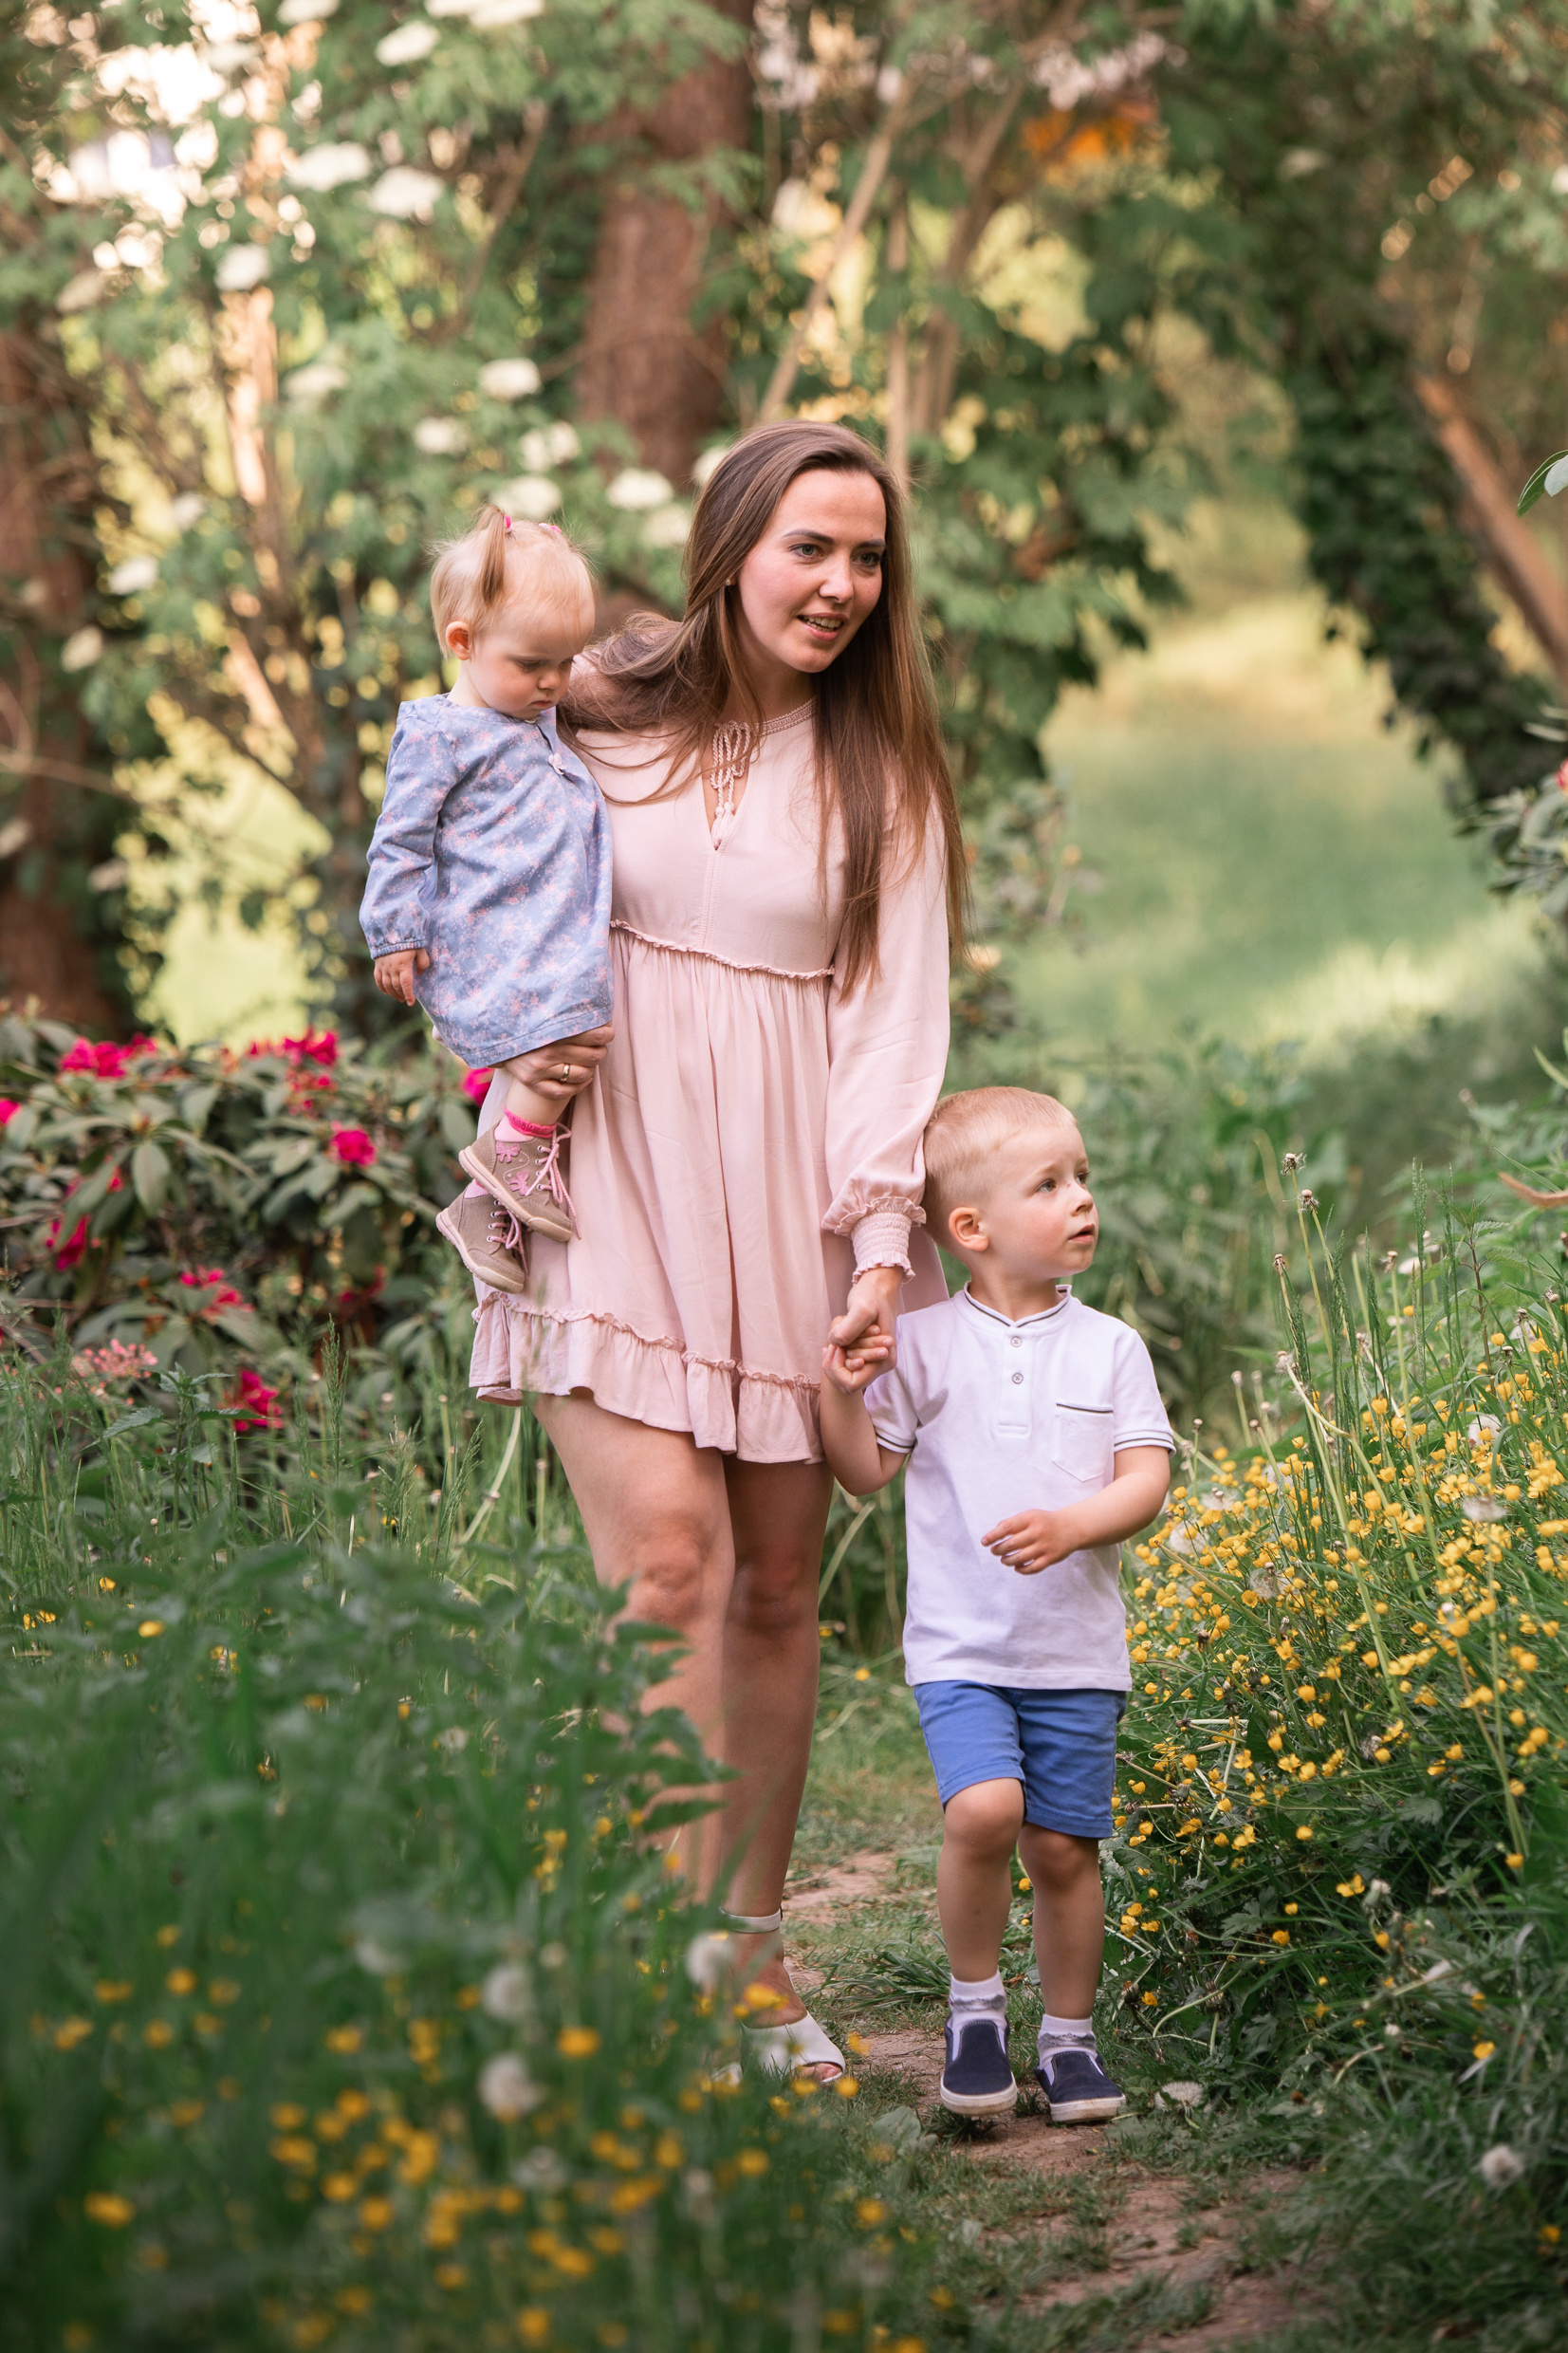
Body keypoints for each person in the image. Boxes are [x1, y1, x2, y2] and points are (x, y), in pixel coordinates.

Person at [467, 420, 964, 2080]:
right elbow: (468, 851)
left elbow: (896, 1024)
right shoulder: (590, 705)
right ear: (732, 541)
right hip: (605, 1171)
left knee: (766, 1587)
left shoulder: (882, 774)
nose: (837, 584)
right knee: (665, 1559)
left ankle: (749, 1959)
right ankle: (658, 1964)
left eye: (865, 557)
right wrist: (496, 1046)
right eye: (809, 546)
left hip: (789, 1196)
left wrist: (879, 1244)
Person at [818, 1086, 1172, 2120]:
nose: (1082, 1200)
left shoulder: (1110, 1347)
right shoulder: (922, 1344)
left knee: (1063, 1847)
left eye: (1083, 1177)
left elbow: (1146, 1477)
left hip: (1075, 1651)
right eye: (1050, 1183)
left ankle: (1069, 2038)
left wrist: (1075, 1523)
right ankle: (974, 2008)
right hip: (962, 1646)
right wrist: (841, 1388)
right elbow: (861, 1474)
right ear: (968, 1228)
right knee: (985, 1808)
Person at [360, 508, 613, 1294]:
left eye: (566, 663)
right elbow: (400, 838)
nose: (553, 683)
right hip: (486, 933)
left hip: (539, 927)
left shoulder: (532, 712)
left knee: (573, 1035)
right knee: (580, 1028)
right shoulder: (441, 734)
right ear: (461, 643)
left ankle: (485, 1207)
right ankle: (515, 1153)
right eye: (534, 663)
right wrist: (392, 933)